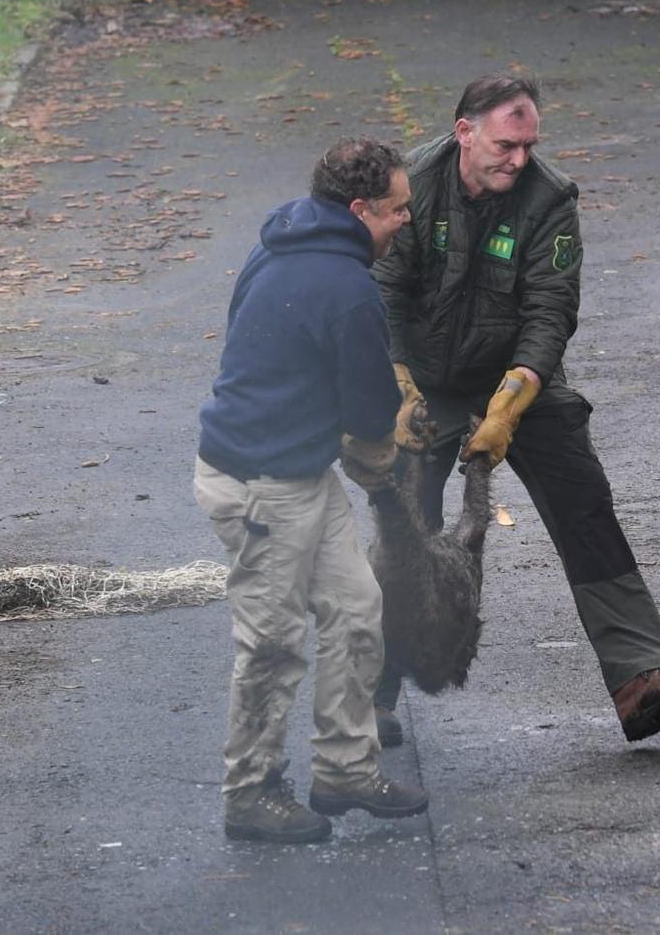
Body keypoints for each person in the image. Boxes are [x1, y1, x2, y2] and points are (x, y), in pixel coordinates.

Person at [372, 74, 660, 745]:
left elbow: (550, 310)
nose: (521, 159)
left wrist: (513, 400)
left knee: (582, 496)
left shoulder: (549, 199)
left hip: (514, 376)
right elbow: (382, 292)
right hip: (421, 381)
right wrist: (396, 387)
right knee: (404, 523)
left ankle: (640, 679)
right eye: (507, 143)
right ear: (464, 131)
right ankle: (372, 693)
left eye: (531, 144)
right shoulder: (412, 184)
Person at [195, 138, 427, 844]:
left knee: (357, 608)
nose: (406, 222)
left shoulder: (283, 237)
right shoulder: (351, 289)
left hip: (299, 470)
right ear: (357, 210)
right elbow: (365, 416)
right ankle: (250, 791)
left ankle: (346, 768)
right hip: (261, 485)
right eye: (397, 210)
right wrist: (389, 455)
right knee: (272, 643)